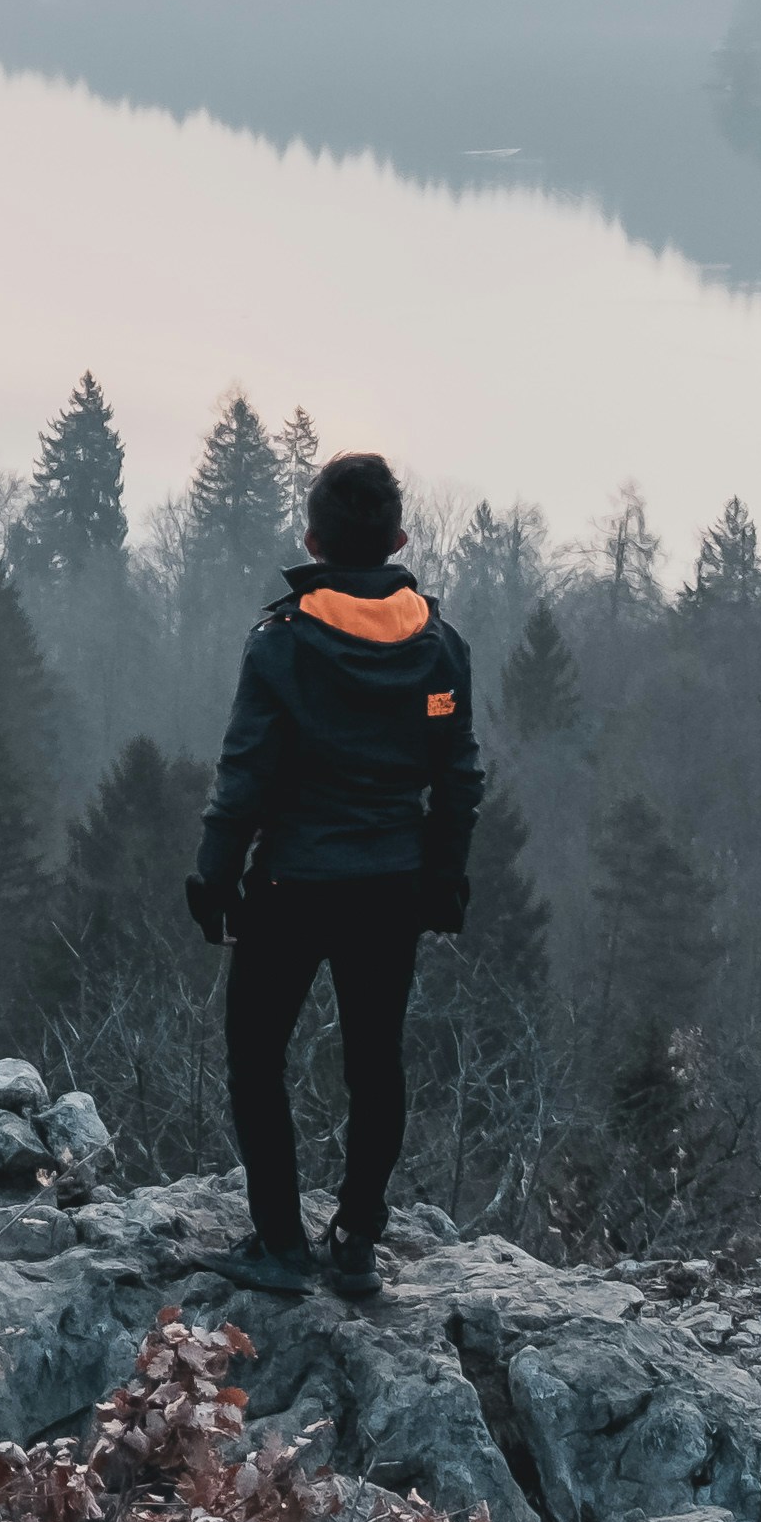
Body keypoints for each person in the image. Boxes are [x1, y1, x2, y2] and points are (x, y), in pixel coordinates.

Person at [185, 450, 480, 1302]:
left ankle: (280, 1243)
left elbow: (244, 772)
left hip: (291, 885)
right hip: (391, 887)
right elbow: (457, 774)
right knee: (375, 1060)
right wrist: (445, 876)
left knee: (254, 1055)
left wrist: (214, 874)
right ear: (398, 538)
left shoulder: (281, 644)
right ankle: (355, 1240)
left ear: (312, 540)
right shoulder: (440, 647)